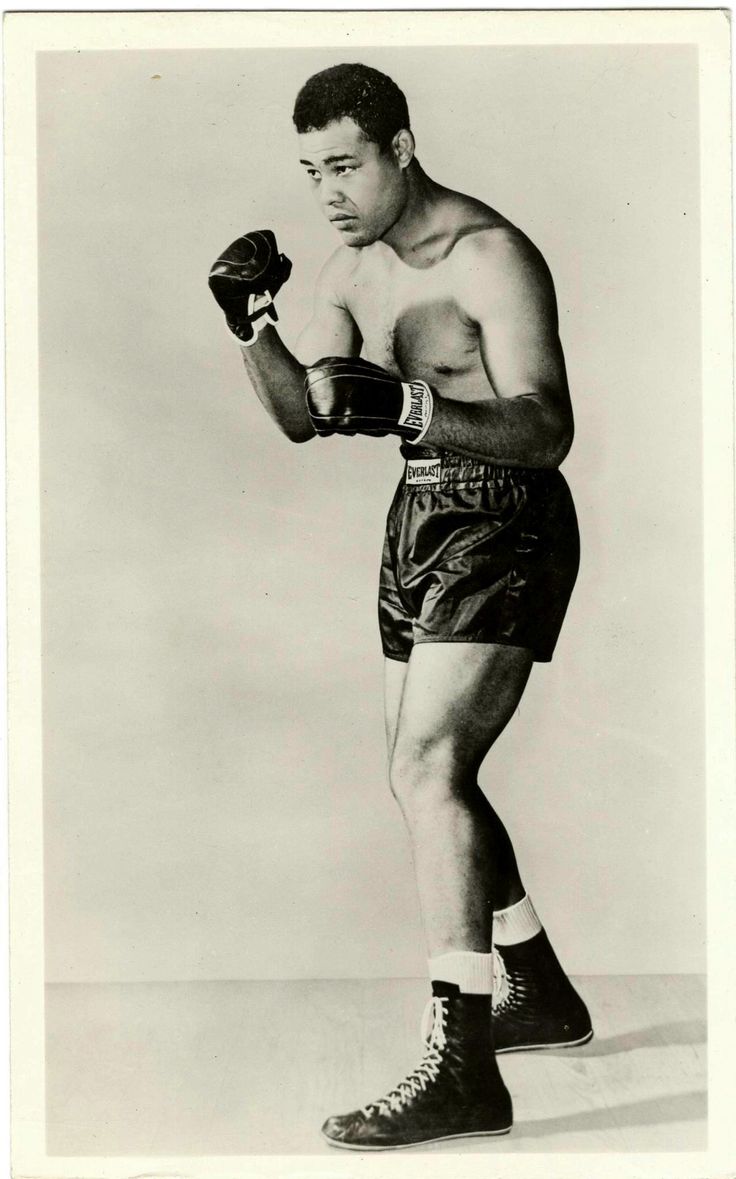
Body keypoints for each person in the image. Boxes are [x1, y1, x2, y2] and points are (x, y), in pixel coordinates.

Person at [208, 62, 592, 1151]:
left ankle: (463, 1067)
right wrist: (253, 327)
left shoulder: (488, 256)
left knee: (426, 771)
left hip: (507, 517)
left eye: (345, 165)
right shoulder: (348, 267)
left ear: (401, 147)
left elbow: (546, 430)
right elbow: (313, 416)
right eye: (311, 171)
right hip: (417, 524)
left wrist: (416, 403)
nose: (328, 191)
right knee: (433, 776)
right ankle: (539, 988)